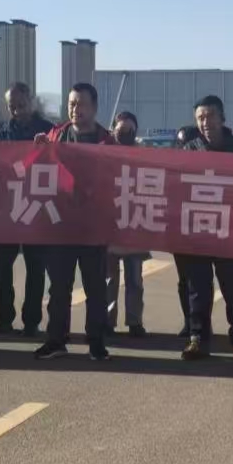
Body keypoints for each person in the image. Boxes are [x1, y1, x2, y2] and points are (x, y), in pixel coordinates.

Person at [32, 82, 117, 360]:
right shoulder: (55, 135)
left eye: (81, 104)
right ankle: (56, 339)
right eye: (71, 103)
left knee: (95, 288)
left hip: (93, 228)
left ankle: (96, 342)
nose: (75, 109)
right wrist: (38, 149)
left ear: (94, 107)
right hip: (60, 226)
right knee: (59, 287)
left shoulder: (107, 142)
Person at [178, 95, 233, 362]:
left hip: (230, 231)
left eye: (210, 116)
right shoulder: (188, 150)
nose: (205, 122)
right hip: (198, 230)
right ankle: (198, 338)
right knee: (198, 288)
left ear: (222, 118)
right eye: (200, 118)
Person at [0, 82, 56, 336]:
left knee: (35, 268)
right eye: (12, 106)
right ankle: (4, 318)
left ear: (31, 102)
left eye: (21, 105)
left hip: (36, 206)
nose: (16, 110)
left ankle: (31, 321)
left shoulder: (49, 130)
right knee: (0, 268)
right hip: (7, 207)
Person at [105, 111, 151, 338]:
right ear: (113, 130)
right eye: (121, 130)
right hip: (109, 226)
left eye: (130, 131)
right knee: (109, 279)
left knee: (134, 280)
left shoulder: (144, 156)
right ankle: (107, 321)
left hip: (135, 225)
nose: (126, 134)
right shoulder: (104, 153)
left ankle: (135, 321)